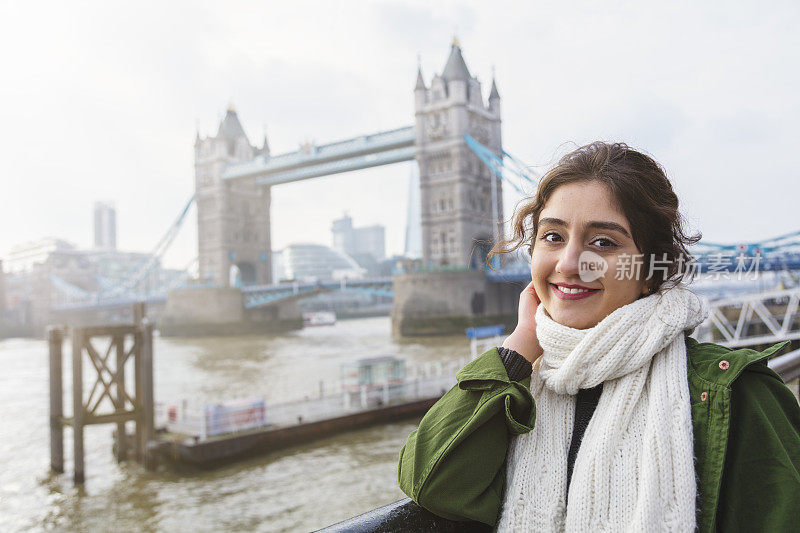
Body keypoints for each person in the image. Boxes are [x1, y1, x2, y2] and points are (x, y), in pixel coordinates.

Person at [397, 141, 800, 532]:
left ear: (649, 272)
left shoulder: (736, 396)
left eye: (603, 242)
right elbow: (431, 481)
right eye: (552, 237)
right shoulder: (516, 390)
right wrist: (518, 347)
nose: (570, 264)